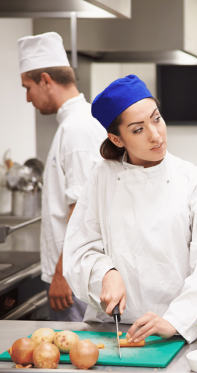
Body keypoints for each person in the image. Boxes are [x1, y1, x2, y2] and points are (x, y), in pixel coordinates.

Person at [63, 75, 197, 343]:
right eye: (138, 129)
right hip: (111, 331)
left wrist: (174, 320)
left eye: (156, 119)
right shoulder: (101, 178)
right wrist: (104, 273)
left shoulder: (193, 180)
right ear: (117, 139)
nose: (156, 135)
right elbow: (79, 249)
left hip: (175, 331)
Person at [17, 32, 106, 321]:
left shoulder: (77, 129)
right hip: (72, 270)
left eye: (28, 87)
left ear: (45, 80)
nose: (28, 97)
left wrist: (61, 274)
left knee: (75, 358)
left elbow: (81, 210)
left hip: (73, 277)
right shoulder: (77, 122)